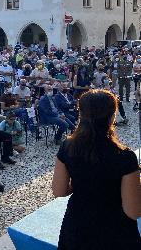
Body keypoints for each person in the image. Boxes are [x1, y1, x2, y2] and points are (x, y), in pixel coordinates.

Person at [52, 89, 141, 249]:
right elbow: (133, 211)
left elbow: (59, 190)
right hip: (115, 232)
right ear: (112, 116)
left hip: (77, 226)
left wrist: (83, 182)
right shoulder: (125, 157)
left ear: (82, 114)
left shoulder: (67, 146)